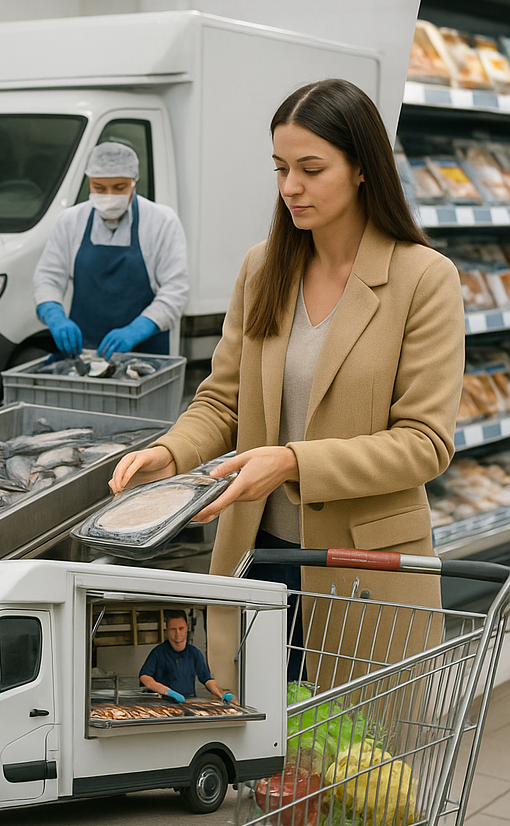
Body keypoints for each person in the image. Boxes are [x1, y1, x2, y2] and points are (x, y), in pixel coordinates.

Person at [110, 79, 463, 688]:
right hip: (255, 554)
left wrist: (293, 462)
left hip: (362, 567)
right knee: (253, 727)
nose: (290, 187)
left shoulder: (423, 279)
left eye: (311, 169)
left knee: (352, 740)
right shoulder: (264, 267)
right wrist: (171, 452)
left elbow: (424, 443)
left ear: (361, 169)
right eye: (280, 168)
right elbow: (223, 400)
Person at [33, 141, 189, 360]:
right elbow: (47, 278)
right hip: (85, 355)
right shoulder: (70, 221)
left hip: (146, 355)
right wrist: (54, 315)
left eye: (119, 187)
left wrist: (138, 329)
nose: (109, 195)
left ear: (134, 182)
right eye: (99, 187)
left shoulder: (162, 221)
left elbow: (176, 290)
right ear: (89, 181)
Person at [140, 611, 233, 703]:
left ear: (186, 629)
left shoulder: (194, 653)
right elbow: (144, 677)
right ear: (167, 631)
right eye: (173, 629)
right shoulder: (158, 653)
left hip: (188, 702)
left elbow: (207, 679)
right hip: (164, 703)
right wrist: (166, 691)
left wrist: (220, 693)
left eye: (181, 628)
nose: (177, 633)